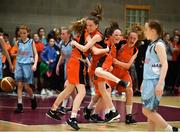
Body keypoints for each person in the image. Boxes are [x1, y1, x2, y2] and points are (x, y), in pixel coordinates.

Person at [141, 20, 179, 131]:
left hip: (154, 82)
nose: (144, 31)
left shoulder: (159, 45)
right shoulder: (151, 44)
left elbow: (165, 64)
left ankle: (170, 129)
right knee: (151, 111)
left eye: (146, 29)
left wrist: (160, 82)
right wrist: (144, 81)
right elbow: (149, 66)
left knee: (146, 111)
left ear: (153, 31)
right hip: (149, 81)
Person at [14, 25, 38, 113]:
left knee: (27, 86)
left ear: (28, 33)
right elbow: (18, 54)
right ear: (19, 34)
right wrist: (14, 65)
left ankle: (33, 98)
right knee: (19, 85)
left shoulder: (31, 41)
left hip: (28, 65)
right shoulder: (18, 42)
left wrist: (35, 64)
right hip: (19, 64)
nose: (23, 34)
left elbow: (36, 54)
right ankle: (19, 105)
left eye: (24, 33)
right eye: (21, 33)